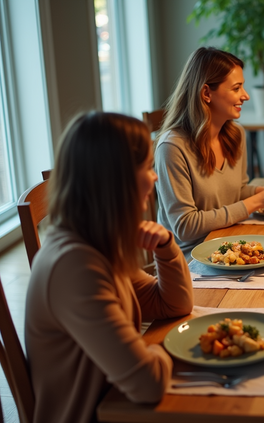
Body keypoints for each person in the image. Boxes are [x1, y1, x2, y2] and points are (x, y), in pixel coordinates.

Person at [25, 112, 194, 423]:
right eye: (146, 167)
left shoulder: (97, 242)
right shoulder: (76, 266)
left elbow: (173, 304)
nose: (154, 176)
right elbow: (149, 384)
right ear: (116, 179)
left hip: (117, 405)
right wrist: (162, 349)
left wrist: (166, 247)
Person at [155, 47, 264, 256]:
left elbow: (235, 192)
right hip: (189, 261)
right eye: (236, 88)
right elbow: (185, 226)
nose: (245, 96)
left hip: (230, 243)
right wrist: (256, 202)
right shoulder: (172, 147)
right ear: (206, 93)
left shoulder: (235, 134)